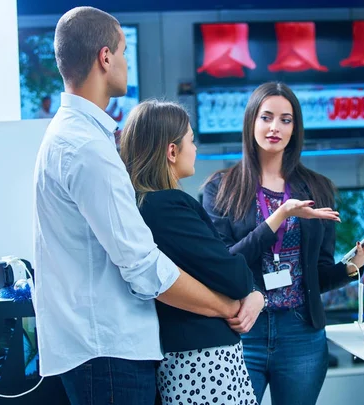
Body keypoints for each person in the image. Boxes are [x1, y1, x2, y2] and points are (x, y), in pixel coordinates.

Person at [33, 7, 239, 405]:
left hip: (97, 350)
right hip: (107, 352)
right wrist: (224, 306)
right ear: (105, 57)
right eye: (124, 52)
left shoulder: (70, 137)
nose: (126, 62)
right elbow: (143, 267)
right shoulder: (86, 148)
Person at [203, 81, 364, 405]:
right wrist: (278, 217)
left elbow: (317, 276)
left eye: (286, 119)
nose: (275, 127)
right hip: (242, 330)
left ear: (295, 128)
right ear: (251, 122)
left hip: (302, 334)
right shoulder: (221, 188)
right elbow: (222, 265)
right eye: (267, 117)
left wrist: (356, 262)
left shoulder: (317, 188)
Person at [120, 100, 261, 405]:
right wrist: (247, 287)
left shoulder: (142, 206)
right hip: (204, 363)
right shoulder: (168, 206)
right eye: (191, 140)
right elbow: (236, 278)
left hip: (190, 360)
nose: (195, 148)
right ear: (172, 151)